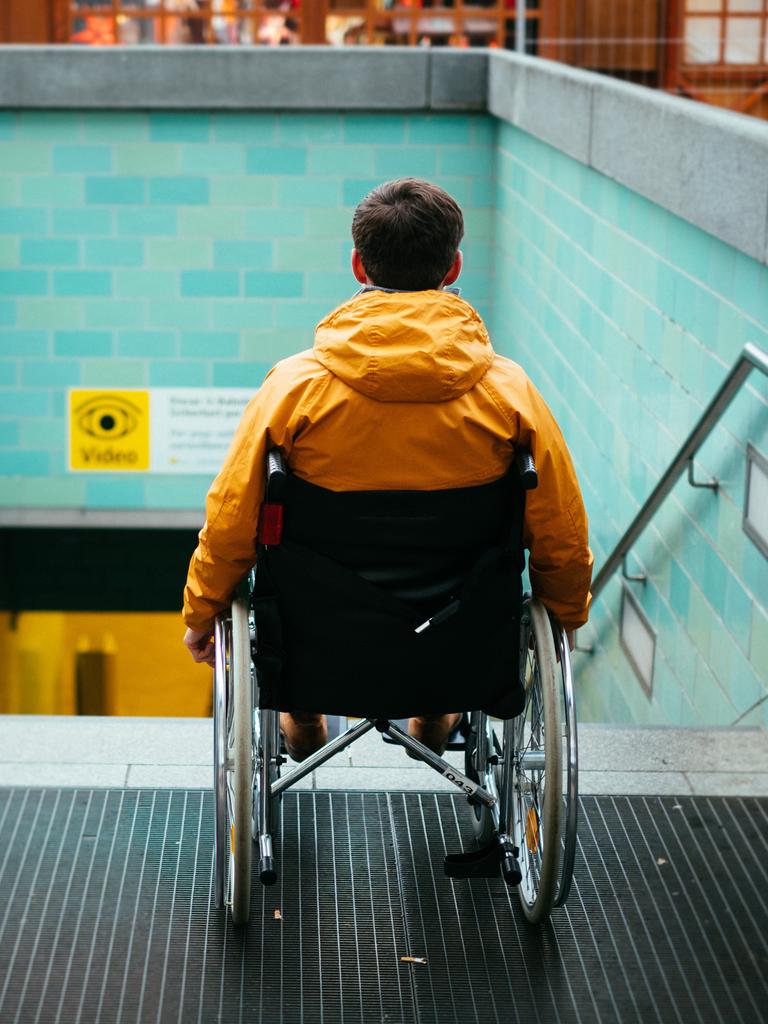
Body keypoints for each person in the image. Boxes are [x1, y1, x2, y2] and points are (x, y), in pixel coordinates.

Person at [183, 178, 592, 761]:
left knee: (295, 584)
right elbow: (560, 526)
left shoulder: (293, 390)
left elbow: (232, 520)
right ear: (453, 268)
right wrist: (567, 612)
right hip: (458, 642)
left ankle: (304, 715)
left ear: (358, 264)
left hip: (318, 644)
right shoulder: (510, 394)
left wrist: (202, 612)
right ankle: (436, 708)